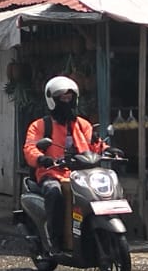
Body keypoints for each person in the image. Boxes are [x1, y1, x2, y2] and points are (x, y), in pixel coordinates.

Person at [22, 76, 105, 252]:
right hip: (51, 173)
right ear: (52, 100)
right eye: (62, 99)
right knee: (55, 193)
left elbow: (95, 144)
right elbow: (30, 148)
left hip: (82, 174)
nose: (66, 102)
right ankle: (55, 240)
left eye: (69, 98)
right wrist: (41, 158)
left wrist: (108, 149)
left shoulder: (82, 124)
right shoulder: (40, 126)